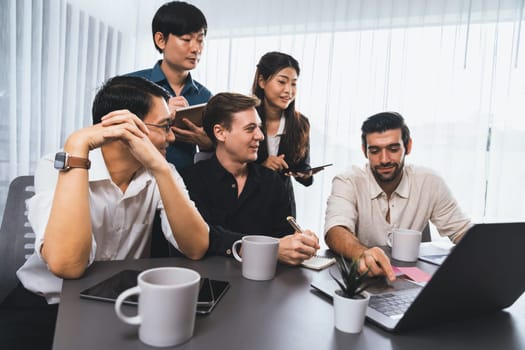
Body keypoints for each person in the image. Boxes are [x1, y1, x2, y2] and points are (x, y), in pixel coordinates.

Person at [0, 76, 209, 349]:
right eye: (166, 126)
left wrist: (159, 169)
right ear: (125, 127)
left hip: (119, 304)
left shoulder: (163, 171)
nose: (171, 136)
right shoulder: (56, 164)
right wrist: (77, 145)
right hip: (46, 305)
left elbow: (196, 247)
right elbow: (67, 265)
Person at [324, 112, 471, 281]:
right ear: (365, 151)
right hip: (360, 281)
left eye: (393, 149)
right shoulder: (348, 181)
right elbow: (335, 230)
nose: (384, 159)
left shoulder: (430, 182)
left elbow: (462, 231)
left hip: (412, 282)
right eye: (375, 151)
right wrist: (363, 254)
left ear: (408, 146)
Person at [180, 92, 320, 265]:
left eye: (259, 127)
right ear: (220, 132)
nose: (260, 136)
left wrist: (299, 243)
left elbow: (284, 238)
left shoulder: (273, 182)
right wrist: (269, 248)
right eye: (250, 128)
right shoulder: (189, 180)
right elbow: (205, 236)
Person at [127, 1, 213, 169]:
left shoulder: (205, 96)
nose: (196, 48)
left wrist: (207, 143)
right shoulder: (130, 85)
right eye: (186, 39)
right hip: (138, 183)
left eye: (200, 40)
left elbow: (214, 153)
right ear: (161, 40)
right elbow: (109, 137)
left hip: (185, 188)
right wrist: (160, 112)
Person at [251, 51, 314, 216]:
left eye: (293, 84)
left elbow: (303, 168)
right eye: (281, 82)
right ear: (262, 81)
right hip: (248, 203)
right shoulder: (244, 118)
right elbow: (230, 166)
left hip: (282, 209)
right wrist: (262, 167)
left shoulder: (301, 123)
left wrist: (305, 174)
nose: (289, 91)